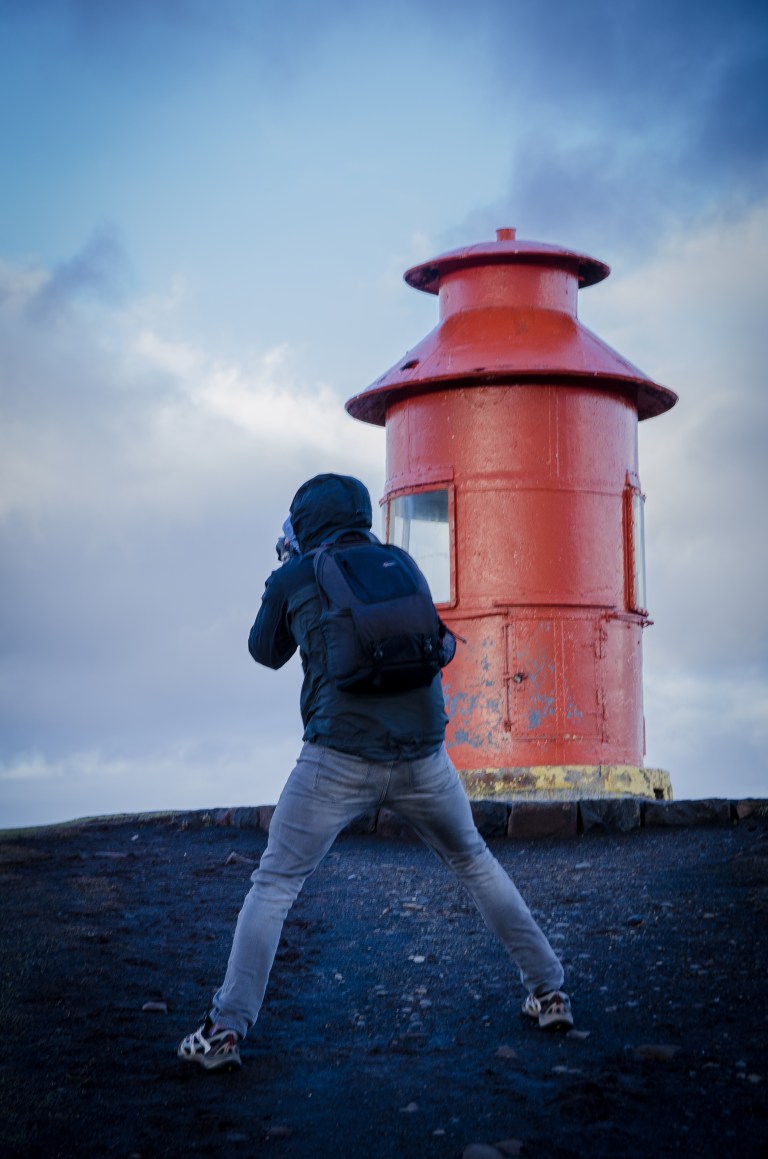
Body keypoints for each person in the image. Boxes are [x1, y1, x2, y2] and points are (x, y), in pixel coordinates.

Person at [178, 473, 572, 1071]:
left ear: (304, 522)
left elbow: (265, 651)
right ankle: (548, 990)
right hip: (425, 756)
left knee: (274, 885)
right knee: (474, 862)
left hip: (336, 759)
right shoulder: (401, 562)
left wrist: (285, 573)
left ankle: (225, 1029)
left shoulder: (297, 573)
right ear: (361, 513)